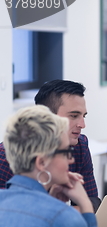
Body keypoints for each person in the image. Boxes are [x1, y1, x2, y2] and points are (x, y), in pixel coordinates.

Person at [0, 79, 101, 212]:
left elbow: (93, 202)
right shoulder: (8, 155)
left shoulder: (79, 146)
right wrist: (61, 212)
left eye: (83, 116)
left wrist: (58, 212)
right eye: (74, 116)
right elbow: (9, 214)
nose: (82, 124)